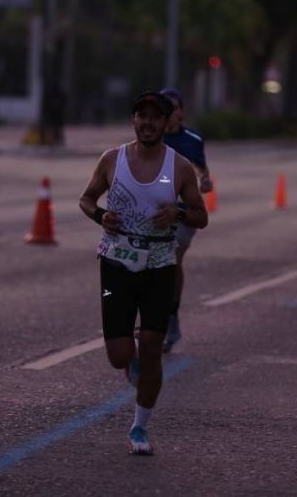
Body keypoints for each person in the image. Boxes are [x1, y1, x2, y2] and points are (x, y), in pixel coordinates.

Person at [78, 91, 208, 455]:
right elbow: (86, 198)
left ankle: (139, 427)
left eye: (156, 117)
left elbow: (202, 216)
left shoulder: (179, 167)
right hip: (116, 263)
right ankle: (131, 359)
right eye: (142, 116)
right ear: (134, 121)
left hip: (160, 265)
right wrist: (99, 215)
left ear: (167, 123)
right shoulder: (112, 160)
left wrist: (179, 214)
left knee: (152, 346)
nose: (148, 122)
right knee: (119, 355)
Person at [159, 87, 213, 352]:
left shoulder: (192, 138)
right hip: (154, 209)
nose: (168, 113)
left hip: (184, 210)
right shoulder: (150, 136)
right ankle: (157, 314)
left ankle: (171, 313)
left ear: (181, 112)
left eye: (173, 107)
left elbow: (201, 167)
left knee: (172, 257)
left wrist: (204, 179)